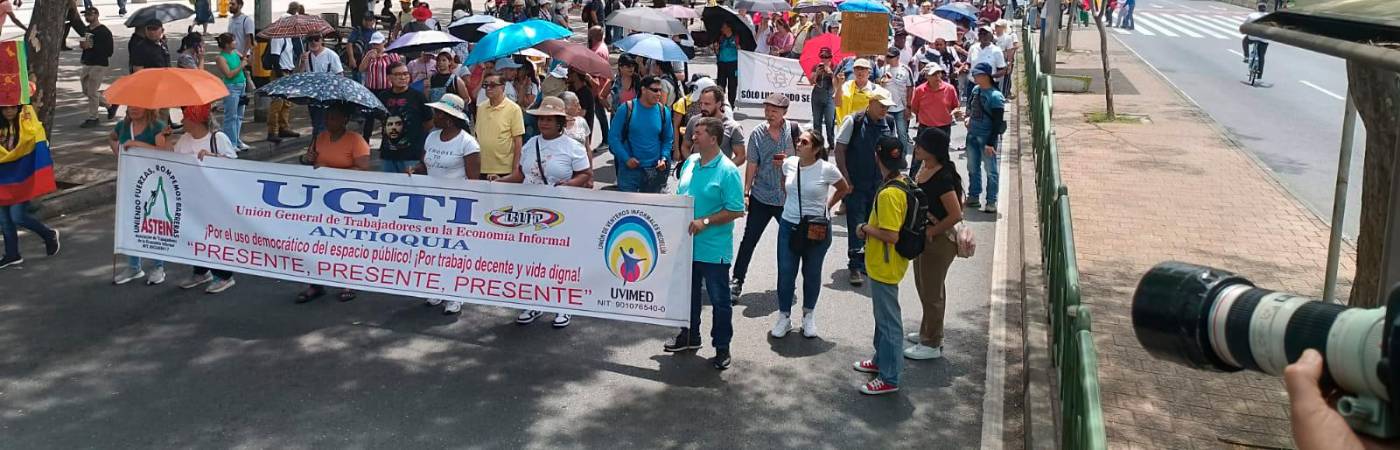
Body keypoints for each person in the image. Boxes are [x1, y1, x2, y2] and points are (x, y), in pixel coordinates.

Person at [498, 96, 592, 327]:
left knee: (559, 259)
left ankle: (563, 306)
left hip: (561, 213)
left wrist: (569, 185)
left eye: (549, 119)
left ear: (560, 122)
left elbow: (586, 175)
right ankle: (534, 303)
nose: (544, 123)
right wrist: (497, 182)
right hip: (529, 213)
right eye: (541, 119)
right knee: (532, 259)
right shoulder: (531, 144)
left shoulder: (573, 147)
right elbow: (520, 174)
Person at [664, 117, 745, 371]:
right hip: (687, 246)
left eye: (698, 133)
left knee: (720, 300)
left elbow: (736, 209)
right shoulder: (690, 162)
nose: (692, 137)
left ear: (713, 139)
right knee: (688, 295)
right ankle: (689, 336)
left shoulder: (728, 170)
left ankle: (722, 347)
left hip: (713, 250)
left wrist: (705, 221)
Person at [772, 130, 850, 338]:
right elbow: (784, 184)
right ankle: (784, 316)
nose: (798, 144)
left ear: (816, 149)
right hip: (789, 225)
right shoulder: (789, 164)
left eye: (804, 142)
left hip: (816, 228)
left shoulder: (826, 169)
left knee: (812, 272)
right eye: (798, 141)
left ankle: (808, 316)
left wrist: (828, 207)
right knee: (786, 272)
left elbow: (843, 188)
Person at [852, 136, 913, 395]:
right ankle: (880, 360)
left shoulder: (889, 194)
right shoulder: (902, 182)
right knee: (883, 318)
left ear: (877, 157)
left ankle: (889, 377)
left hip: (884, 264)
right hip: (888, 263)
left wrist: (864, 228)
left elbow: (890, 235)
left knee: (889, 323)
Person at [296, 105, 370, 303]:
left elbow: (364, 169)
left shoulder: (355, 140)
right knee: (317, 240)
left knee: (343, 242)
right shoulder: (320, 137)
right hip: (320, 197)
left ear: (345, 120)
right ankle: (315, 283)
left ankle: (348, 282)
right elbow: (309, 161)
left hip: (347, 199)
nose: (329, 122)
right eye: (327, 118)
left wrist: (331, 171)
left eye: (334, 118)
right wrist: (306, 158)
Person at [414, 93, 480, 314]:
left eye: (438, 113)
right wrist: (415, 170)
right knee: (434, 247)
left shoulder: (467, 143)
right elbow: (425, 164)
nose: (434, 116)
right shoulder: (432, 137)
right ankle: (437, 287)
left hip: (456, 206)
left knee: (454, 251)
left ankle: (456, 293)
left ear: (450, 118)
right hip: (431, 203)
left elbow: (474, 180)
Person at [730, 94, 798, 300]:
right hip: (761, 195)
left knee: (791, 242)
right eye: (767, 110)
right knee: (749, 240)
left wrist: (789, 161)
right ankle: (737, 280)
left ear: (784, 112)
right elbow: (752, 163)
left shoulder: (794, 131)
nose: (769, 114)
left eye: (774, 111)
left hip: (786, 198)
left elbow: (805, 158)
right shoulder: (758, 133)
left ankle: (788, 282)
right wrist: (746, 193)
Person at [905, 127, 962, 360]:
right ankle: (927, 331)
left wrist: (932, 231)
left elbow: (956, 214)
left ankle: (932, 343)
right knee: (924, 286)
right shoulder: (923, 167)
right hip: (922, 238)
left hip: (938, 242)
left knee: (932, 292)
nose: (916, 148)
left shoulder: (943, 177)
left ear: (934, 150)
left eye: (922, 145)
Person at [834, 88, 898, 287]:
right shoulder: (854, 121)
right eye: (881, 106)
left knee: (873, 224)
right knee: (856, 222)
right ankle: (854, 264)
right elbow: (839, 149)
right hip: (856, 183)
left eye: (887, 107)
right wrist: (845, 178)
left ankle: (866, 262)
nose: (884, 110)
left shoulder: (889, 122)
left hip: (878, 184)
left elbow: (892, 152)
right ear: (870, 103)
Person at [109, 106, 170, 285]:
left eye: (138, 105)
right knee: (131, 221)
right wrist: (117, 151)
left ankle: (159, 267)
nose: (133, 109)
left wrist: (137, 145)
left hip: (153, 182)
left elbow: (165, 153)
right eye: (130, 105)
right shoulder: (122, 126)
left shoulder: (158, 127)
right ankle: (134, 266)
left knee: (154, 223)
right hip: (130, 181)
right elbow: (112, 138)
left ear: (147, 108)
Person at [0, 105, 60, 269]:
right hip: (3, 179)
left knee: (17, 216)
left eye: (13, 108)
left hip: (22, 177)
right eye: (5, 109)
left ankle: (49, 234)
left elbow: (35, 134)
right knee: (4, 219)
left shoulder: (26, 124)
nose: (9, 112)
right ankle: (12, 254)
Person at [608, 76, 674, 194]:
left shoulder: (664, 111)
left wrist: (663, 157)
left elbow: (668, 139)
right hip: (629, 171)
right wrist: (626, 159)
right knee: (627, 204)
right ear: (643, 90)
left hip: (654, 170)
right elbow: (613, 138)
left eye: (660, 90)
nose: (659, 94)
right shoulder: (626, 109)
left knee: (651, 204)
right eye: (655, 90)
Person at [964, 63, 1005, 213]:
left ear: (985, 76)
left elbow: (997, 122)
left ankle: (991, 200)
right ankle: (974, 196)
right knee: (972, 167)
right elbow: (971, 108)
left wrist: (990, 143)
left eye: (977, 74)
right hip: (972, 135)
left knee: (991, 170)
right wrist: (968, 118)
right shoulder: (976, 90)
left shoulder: (995, 97)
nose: (974, 77)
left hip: (986, 137)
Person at [378, 62, 433, 173]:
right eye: (398, 74)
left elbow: (429, 122)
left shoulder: (418, 97)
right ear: (389, 77)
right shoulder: (383, 96)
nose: (402, 77)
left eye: (405, 74)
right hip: (388, 154)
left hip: (412, 155)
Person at [909, 65, 959, 174]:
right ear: (927, 76)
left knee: (942, 156)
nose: (937, 77)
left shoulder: (949, 89)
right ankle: (912, 180)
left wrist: (955, 112)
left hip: (943, 128)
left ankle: (944, 179)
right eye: (933, 74)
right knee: (918, 157)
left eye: (938, 73)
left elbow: (955, 106)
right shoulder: (920, 90)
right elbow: (915, 108)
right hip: (925, 128)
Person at [475, 74, 526, 180]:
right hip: (481, 167)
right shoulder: (481, 108)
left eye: (493, 85)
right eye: (485, 85)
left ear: (503, 87)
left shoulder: (514, 109)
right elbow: (477, 136)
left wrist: (515, 169)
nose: (488, 88)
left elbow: (518, 141)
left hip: (504, 169)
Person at [680, 86, 744, 163]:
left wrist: (723, 168)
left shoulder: (732, 127)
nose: (703, 107)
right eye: (701, 103)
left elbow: (741, 156)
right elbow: (685, 147)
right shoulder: (694, 121)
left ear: (719, 104)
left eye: (707, 104)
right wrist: (692, 163)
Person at [358, 32, 402, 138]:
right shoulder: (369, 54)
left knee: (386, 115)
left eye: (378, 44)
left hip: (386, 89)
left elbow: (399, 68)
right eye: (374, 44)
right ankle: (366, 139)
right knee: (369, 116)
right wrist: (369, 58)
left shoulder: (391, 55)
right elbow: (361, 69)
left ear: (383, 43)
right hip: (371, 89)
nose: (375, 46)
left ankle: (386, 139)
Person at [299, 35, 344, 137]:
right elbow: (300, 75)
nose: (313, 42)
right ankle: (319, 143)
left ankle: (318, 143)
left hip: (327, 95)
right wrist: (302, 63)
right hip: (312, 95)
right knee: (316, 123)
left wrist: (337, 93)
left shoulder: (331, 55)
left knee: (322, 125)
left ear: (321, 41)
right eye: (310, 40)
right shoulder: (306, 56)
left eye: (316, 39)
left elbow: (340, 75)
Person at [78, 7, 115, 129]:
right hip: (87, 62)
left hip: (99, 63)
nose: (87, 17)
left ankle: (93, 118)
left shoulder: (104, 31)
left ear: (97, 15)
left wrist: (93, 46)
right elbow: (82, 43)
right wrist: (83, 45)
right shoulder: (86, 29)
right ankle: (110, 106)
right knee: (86, 90)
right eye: (86, 15)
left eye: (90, 15)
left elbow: (109, 51)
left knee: (92, 92)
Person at [213, 33, 250, 151]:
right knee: (231, 116)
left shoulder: (235, 53)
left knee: (239, 115)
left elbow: (244, 58)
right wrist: (241, 65)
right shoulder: (220, 58)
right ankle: (230, 142)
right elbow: (228, 74)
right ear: (227, 44)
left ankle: (237, 140)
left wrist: (246, 57)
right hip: (231, 87)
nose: (235, 43)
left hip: (241, 85)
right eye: (233, 41)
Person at [878, 48, 915, 156]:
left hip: (900, 107)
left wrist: (909, 106)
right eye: (887, 56)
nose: (888, 59)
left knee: (902, 133)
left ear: (898, 57)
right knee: (888, 134)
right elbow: (878, 87)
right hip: (886, 108)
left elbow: (910, 87)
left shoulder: (905, 70)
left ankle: (902, 156)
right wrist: (881, 82)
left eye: (890, 57)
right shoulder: (883, 70)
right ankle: (889, 157)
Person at [966, 27, 1007, 104]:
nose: (983, 36)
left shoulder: (996, 50)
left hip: (989, 86)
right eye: (981, 34)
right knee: (972, 107)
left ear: (991, 36)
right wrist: (967, 69)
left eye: (986, 34)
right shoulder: (973, 48)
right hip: (973, 84)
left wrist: (990, 77)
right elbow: (968, 63)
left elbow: (1002, 70)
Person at [834, 58, 876, 125]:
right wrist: (840, 84)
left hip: (866, 127)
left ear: (869, 72)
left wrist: (884, 84)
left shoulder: (874, 89)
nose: (859, 72)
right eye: (857, 69)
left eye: (862, 69)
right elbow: (837, 103)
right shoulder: (846, 86)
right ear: (853, 71)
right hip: (848, 126)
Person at [810, 47, 837, 143]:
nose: (824, 59)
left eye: (826, 57)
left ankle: (831, 142)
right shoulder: (816, 66)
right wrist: (817, 73)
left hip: (829, 95)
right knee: (817, 121)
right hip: (817, 95)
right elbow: (811, 82)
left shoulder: (835, 67)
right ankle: (818, 143)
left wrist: (831, 74)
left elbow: (837, 84)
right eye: (822, 57)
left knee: (830, 121)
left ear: (830, 58)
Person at [713, 23, 740, 106]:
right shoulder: (721, 38)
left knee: (732, 85)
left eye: (723, 27)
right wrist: (716, 48)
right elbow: (717, 52)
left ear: (729, 28)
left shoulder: (736, 37)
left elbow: (741, 51)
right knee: (720, 85)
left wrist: (738, 47)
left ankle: (731, 104)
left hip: (733, 64)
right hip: (722, 63)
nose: (722, 29)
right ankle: (721, 103)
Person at [1243, 3, 1269, 79]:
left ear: (1258, 8)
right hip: (1263, 39)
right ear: (1265, 9)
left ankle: (1246, 56)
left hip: (1252, 37)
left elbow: (1245, 25)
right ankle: (1259, 76)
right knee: (1261, 56)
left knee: (1245, 41)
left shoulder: (1252, 15)